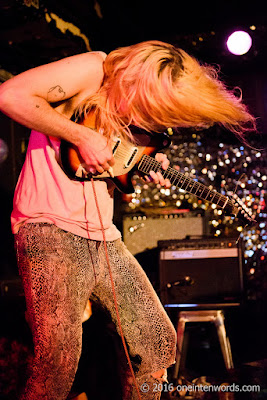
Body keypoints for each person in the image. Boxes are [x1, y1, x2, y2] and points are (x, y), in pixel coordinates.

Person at [0, 40, 255, 400]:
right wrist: (80, 135)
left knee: (157, 343)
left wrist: (138, 167)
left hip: (103, 235)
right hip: (48, 227)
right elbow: (10, 95)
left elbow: (108, 169)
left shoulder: (130, 112)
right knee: (58, 359)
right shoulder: (94, 68)